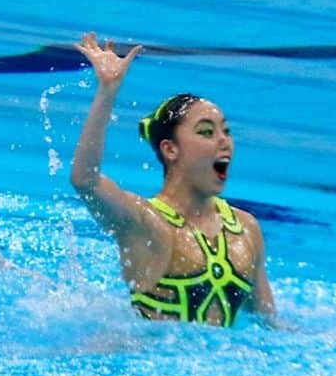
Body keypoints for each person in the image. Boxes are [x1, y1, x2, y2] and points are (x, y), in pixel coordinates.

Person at [70, 32, 276, 326]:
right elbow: (84, 180)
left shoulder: (246, 229)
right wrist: (108, 91)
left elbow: (269, 323)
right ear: (170, 149)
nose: (224, 142)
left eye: (226, 132)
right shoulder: (146, 223)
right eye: (206, 132)